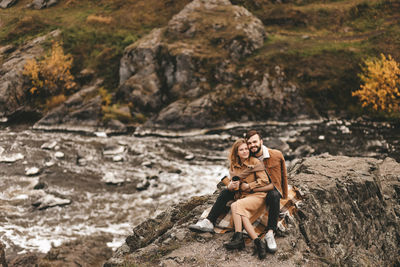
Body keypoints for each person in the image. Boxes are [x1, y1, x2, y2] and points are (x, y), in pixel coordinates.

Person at [189, 138, 270, 259]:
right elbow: (234, 184)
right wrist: (231, 186)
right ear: (237, 152)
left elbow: (264, 181)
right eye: (241, 150)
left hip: (257, 195)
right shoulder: (234, 166)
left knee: (235, 206)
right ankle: (257, 242)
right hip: (243, 197)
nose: (245, 151)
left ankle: (238, 238)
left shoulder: (255, 162)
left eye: (246, 149)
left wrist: (249, 186)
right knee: (238, 209)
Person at [244, 129, 288, 253]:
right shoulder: (246, 158)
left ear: (261, 141)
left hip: (269, 192)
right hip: (254, 194)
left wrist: (284, 195)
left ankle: (270, 232)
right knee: (228, 193)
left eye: (255, 142)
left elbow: (283, 177)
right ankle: (208, 221)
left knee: (274, 195)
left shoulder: (276, 155)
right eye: (249, 143)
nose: (252, 145)